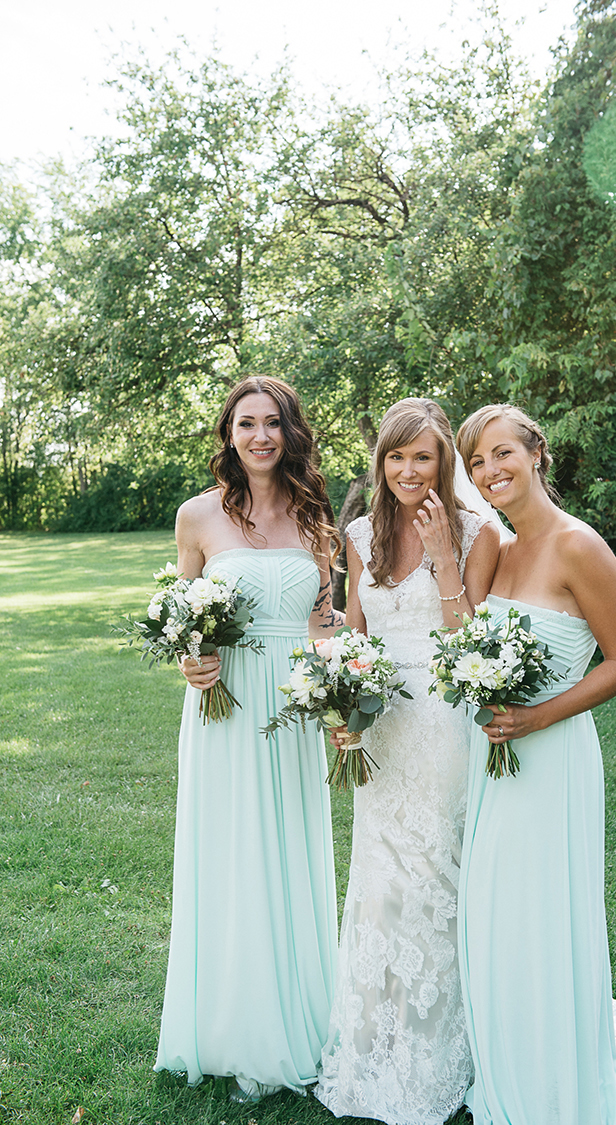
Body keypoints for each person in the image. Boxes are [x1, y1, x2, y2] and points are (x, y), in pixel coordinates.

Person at [314, 399, 502, 1124]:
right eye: (397, 456)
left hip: (443, 720)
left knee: (432, 878)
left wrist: (448, 560)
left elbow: (474, 645)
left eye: (423, 457)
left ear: (444, 462)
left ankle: (442, 1051)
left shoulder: (479, 530)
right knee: (378, 884)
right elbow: (353, 631)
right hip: (380, 724)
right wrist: (340, 703)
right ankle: (376, 1041)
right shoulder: (360, 533)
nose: (408, 471)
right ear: (381, 461)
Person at [455, 403, 616, 1125]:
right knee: (497, 912)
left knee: (541, 915)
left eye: (503, 452)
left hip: (553, 752)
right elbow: (468, 634)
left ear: (537, 453)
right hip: (496, 754)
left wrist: (538, 714)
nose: (490, 470)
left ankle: (552, 1089)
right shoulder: (499, 547)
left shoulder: (578, 546)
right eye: (476, 461)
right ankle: (506, 1067)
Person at [155, 375, 342, 1102]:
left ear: (290, 432)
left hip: (291, 709)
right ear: (228, 436)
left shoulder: (316, 515)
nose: (260, 435)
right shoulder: (197, 517)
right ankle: (229, 1024)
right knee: (230, 853)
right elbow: (184, 622)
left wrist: (339, 691)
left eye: (272, 423)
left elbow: (324, 622)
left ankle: (298, 1015)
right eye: (245, 424)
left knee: (291, 849)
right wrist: (191, 659)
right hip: (224, 712)